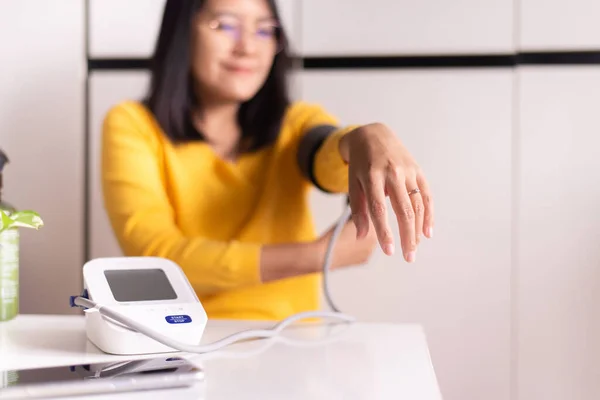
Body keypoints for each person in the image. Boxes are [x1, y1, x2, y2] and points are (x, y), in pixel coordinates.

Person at [101, 0, 434, 321]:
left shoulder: (296, 123)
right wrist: (316, 257)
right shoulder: (133, 125)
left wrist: (365, 139)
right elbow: (158, 258)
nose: (247, 47)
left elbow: (325, 158)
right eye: (225, 25)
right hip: (184, 340)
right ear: (181, 32)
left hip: (293, 344)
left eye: (264, 30)